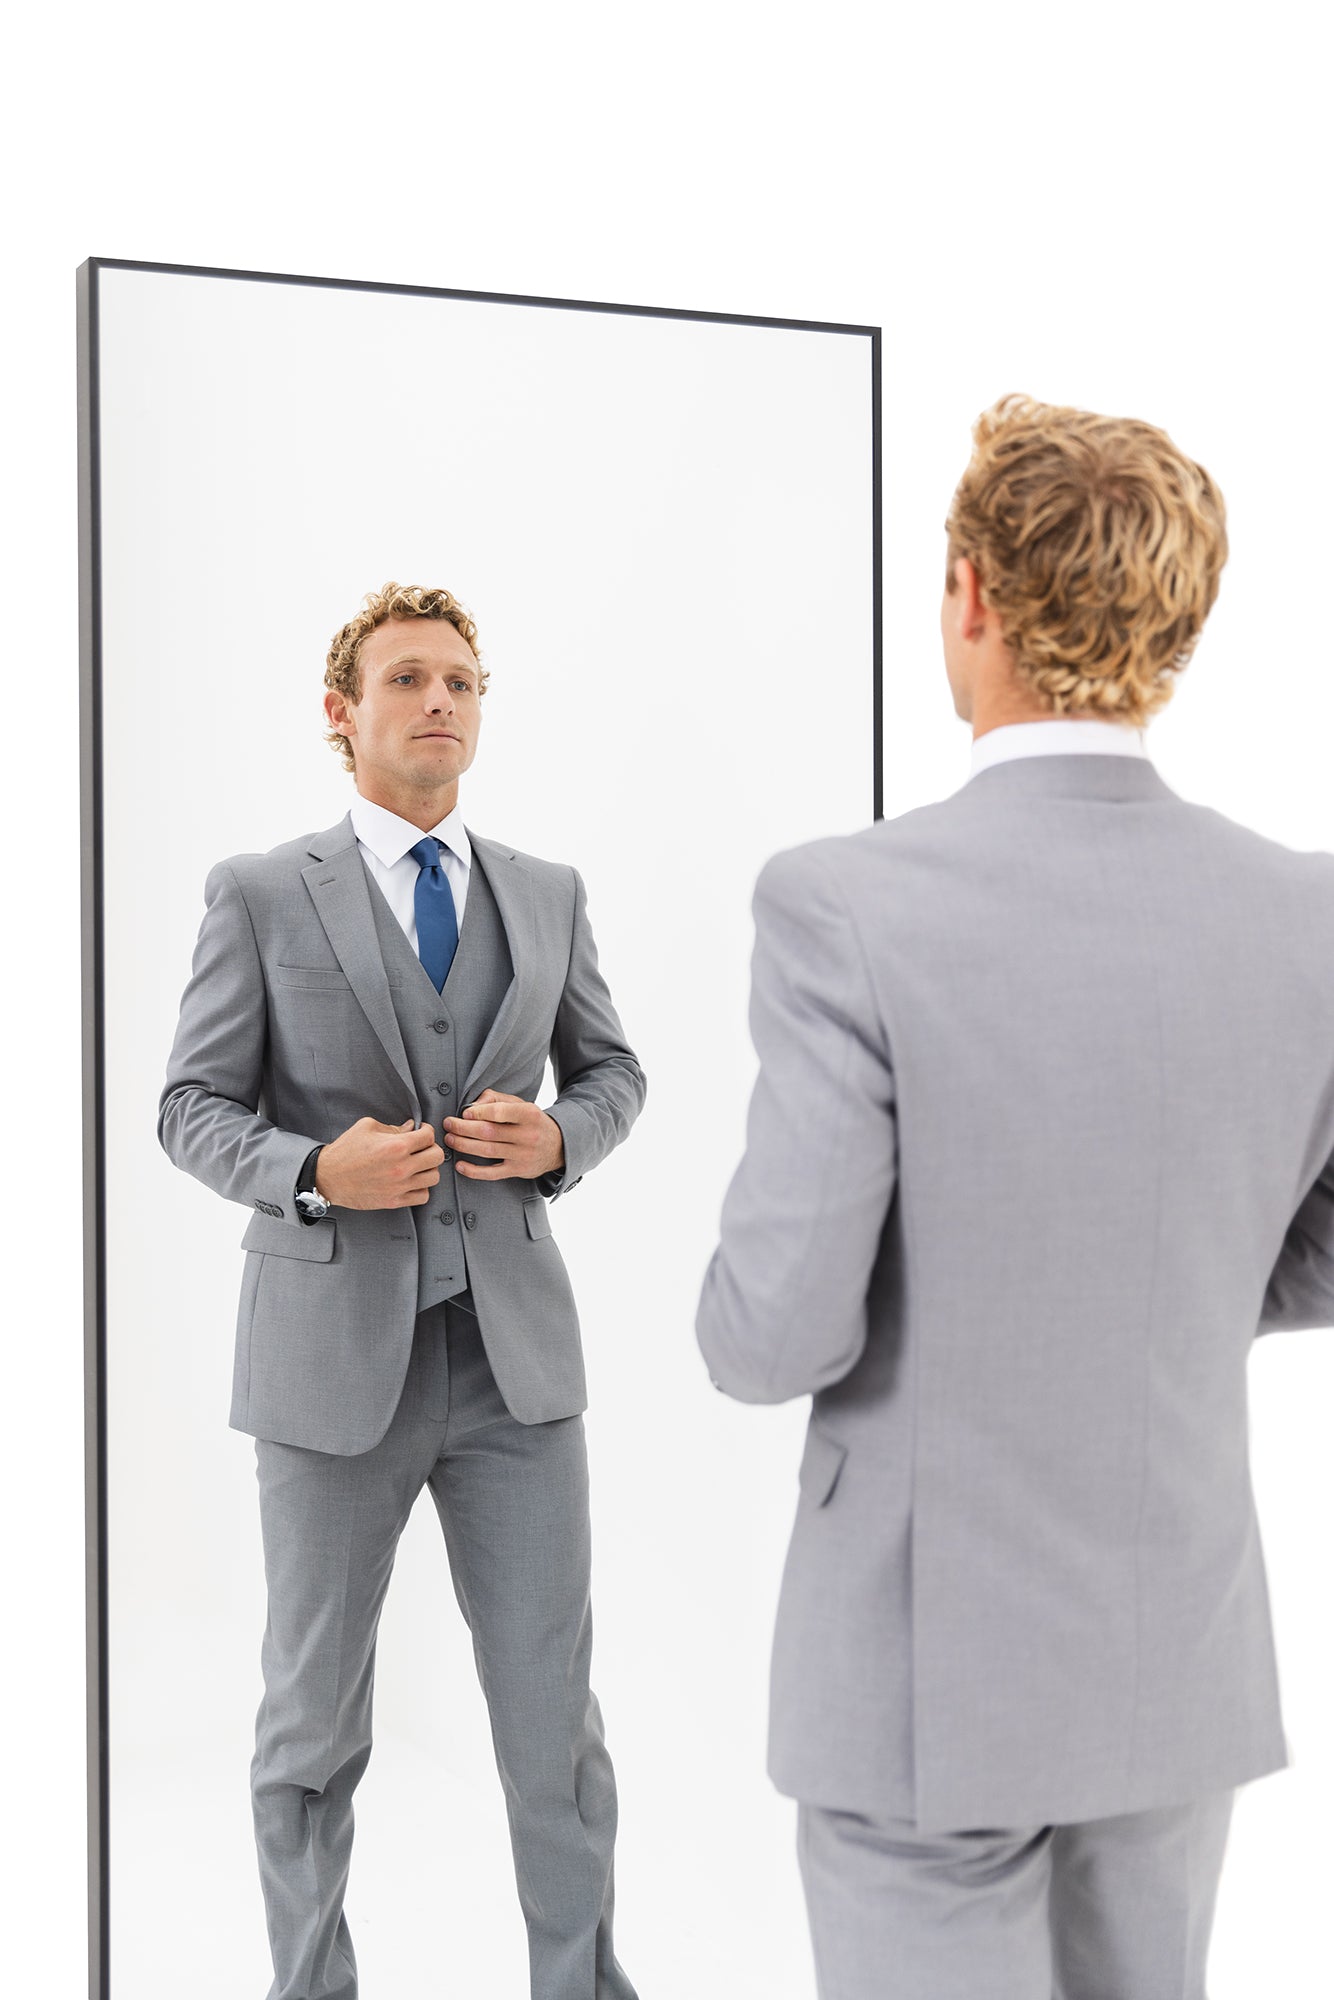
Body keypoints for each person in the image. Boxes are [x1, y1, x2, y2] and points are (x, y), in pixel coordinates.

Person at [696, 394, 1334, 2000]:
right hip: (1174, 1655)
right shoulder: (1308, 916)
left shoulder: (844, 905)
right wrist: (1154, 1284)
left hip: (927, 1682)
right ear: (1175, 628)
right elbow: (1311, 1257)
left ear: (970, 600)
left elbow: (770, 1333)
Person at [158, 581, 644, 2000]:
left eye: (463, 681)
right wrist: (317, 1171)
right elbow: (188, 1106)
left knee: (555, 1723)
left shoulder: (546, 894)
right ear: (343, 714)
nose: (441, 700)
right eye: (408, 679)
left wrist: (564, 1138)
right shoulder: (258, 891)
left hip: (517, 1374)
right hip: (327, 1373)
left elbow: (613, 1073)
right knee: (311, 1724)